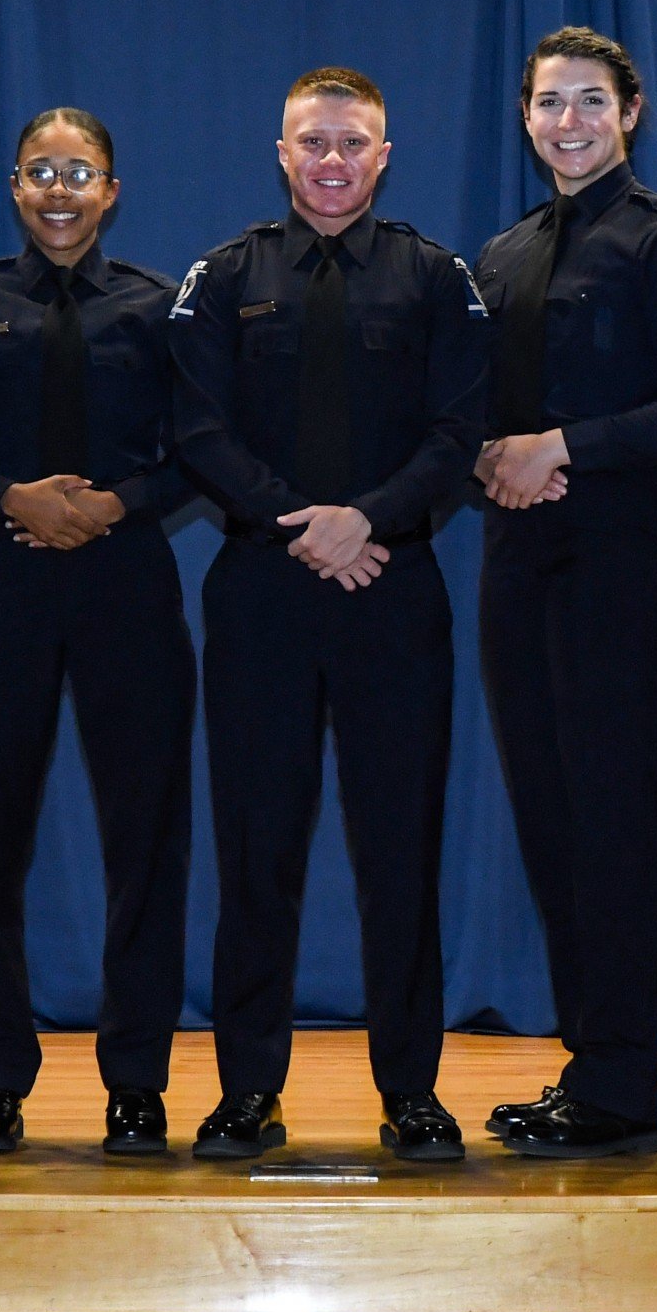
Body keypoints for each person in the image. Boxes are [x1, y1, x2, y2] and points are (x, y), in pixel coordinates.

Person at [168, 67, 489, 1163]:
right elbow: (196, 431)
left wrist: (370, 523)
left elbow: (459, 433)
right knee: (257, 851)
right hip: (261, 590)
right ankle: (246, 1089)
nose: (333, 159)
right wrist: (302, 525)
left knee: (399, 851)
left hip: (394, 593)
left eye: (353, 141)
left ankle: (411, 1090)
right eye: (313, 140)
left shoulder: (435, 277)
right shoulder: (223, 276)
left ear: (384, 154)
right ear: (282, 149)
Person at [0, 108, 196, 1155]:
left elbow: (193, 448)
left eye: (81, 172)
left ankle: (136, 1081)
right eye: (41, 170)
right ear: (14, 183)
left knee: (147, 841)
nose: (60, 189)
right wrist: (12, 499)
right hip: (3, 585)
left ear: (113, 189)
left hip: (128, 584)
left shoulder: (156, 306)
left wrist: (110, 507)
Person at [474, 27, 657, 1158]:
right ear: (524, 117)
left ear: (629, 112)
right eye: (546, 103)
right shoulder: (505, 253)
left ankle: (626, 1082)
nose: (566, 122)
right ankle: (592, 1064)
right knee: (551, 815)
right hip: (519, 561)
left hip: (627, 557)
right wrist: (483, 451)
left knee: (613, 816)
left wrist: (562, 447)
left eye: (588, 102)